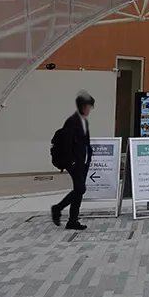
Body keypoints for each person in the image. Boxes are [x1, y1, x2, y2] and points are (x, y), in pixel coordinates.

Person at [51, 90, 94, 231]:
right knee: (81, 188)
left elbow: (85, 142)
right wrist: (72, 161)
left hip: (83, 161)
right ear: (82, 106)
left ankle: (73, 220)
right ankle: (57, 208)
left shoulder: (84, 121)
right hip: (74, 162)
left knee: (78, 190)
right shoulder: (72, 122)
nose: (90, 110)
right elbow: (66, 144)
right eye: (88, 106)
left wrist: (89, 156)